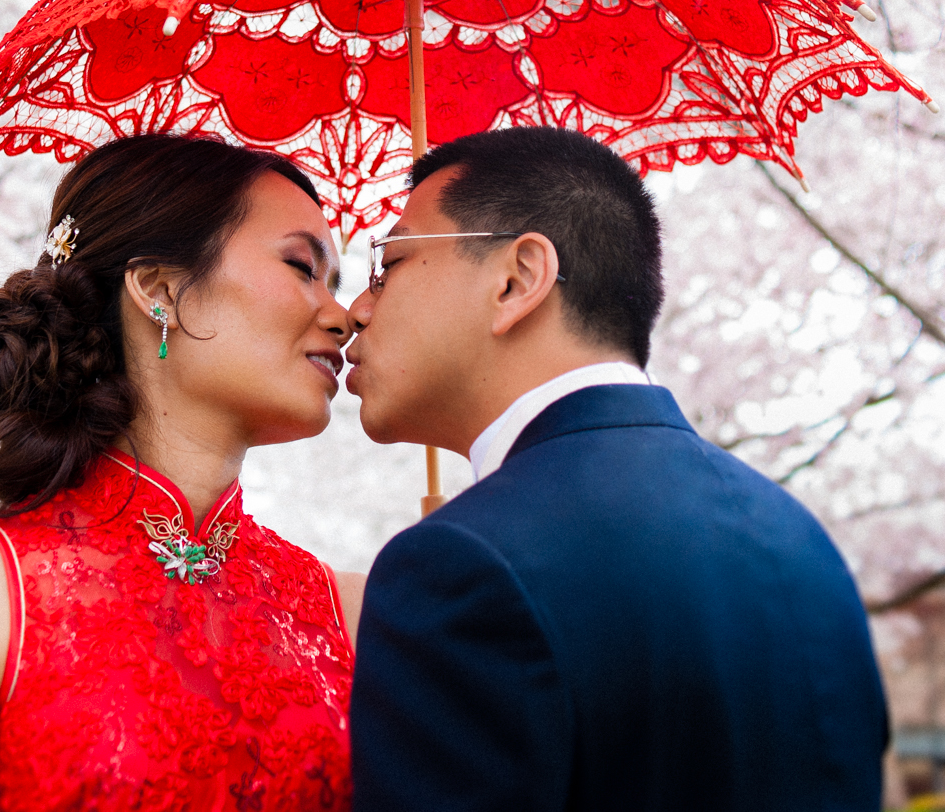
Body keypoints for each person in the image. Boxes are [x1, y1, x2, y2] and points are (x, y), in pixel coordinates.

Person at [343, 126, 889, 811]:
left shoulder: (460, 564)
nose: (356, 310)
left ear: (516, 279)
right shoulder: (800, 542)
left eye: (388, 265)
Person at [0, 134, 361, 812]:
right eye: (304, 266)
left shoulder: (354, 610)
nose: (342, 314)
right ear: (160, 291)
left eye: (336, 282)